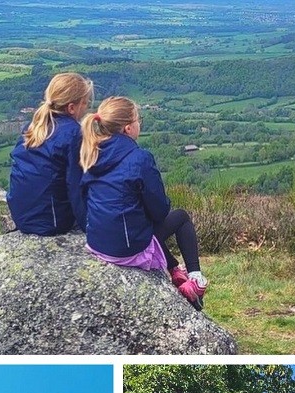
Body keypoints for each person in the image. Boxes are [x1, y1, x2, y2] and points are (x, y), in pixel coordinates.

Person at [79, 96, 209, 310]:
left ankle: (176, 270)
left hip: (97, 242)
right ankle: (195, 279)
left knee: (141, 224)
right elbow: (159, 211)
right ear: (128, 128)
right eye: (139, 119)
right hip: (126, 248)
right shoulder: (140, 158)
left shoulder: (90, 154)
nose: (140, 123)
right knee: (181, 217)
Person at [6, 73, 93, 236]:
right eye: (85, 103)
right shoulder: (74, 134)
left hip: (21, 216)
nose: (87, 108)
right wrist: (89, 227)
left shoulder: (33, 125)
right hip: (51, 221)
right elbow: (76, 185)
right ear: (72, 108)